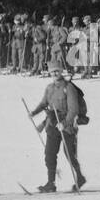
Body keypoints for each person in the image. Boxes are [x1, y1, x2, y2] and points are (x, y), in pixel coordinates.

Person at [28, 59, 85, 192]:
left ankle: (80, 178)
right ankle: (50, 183)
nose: (54, 73)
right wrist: (34, 112)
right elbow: (43, 103)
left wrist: (65, 123)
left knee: (70, 154)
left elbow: (74, 110)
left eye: (57, 71)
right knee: (49, 154)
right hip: (52, 124)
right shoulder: (50, 88)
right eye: (52, 71)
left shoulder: (68, 88)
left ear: (61, 71)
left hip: (67, 126)